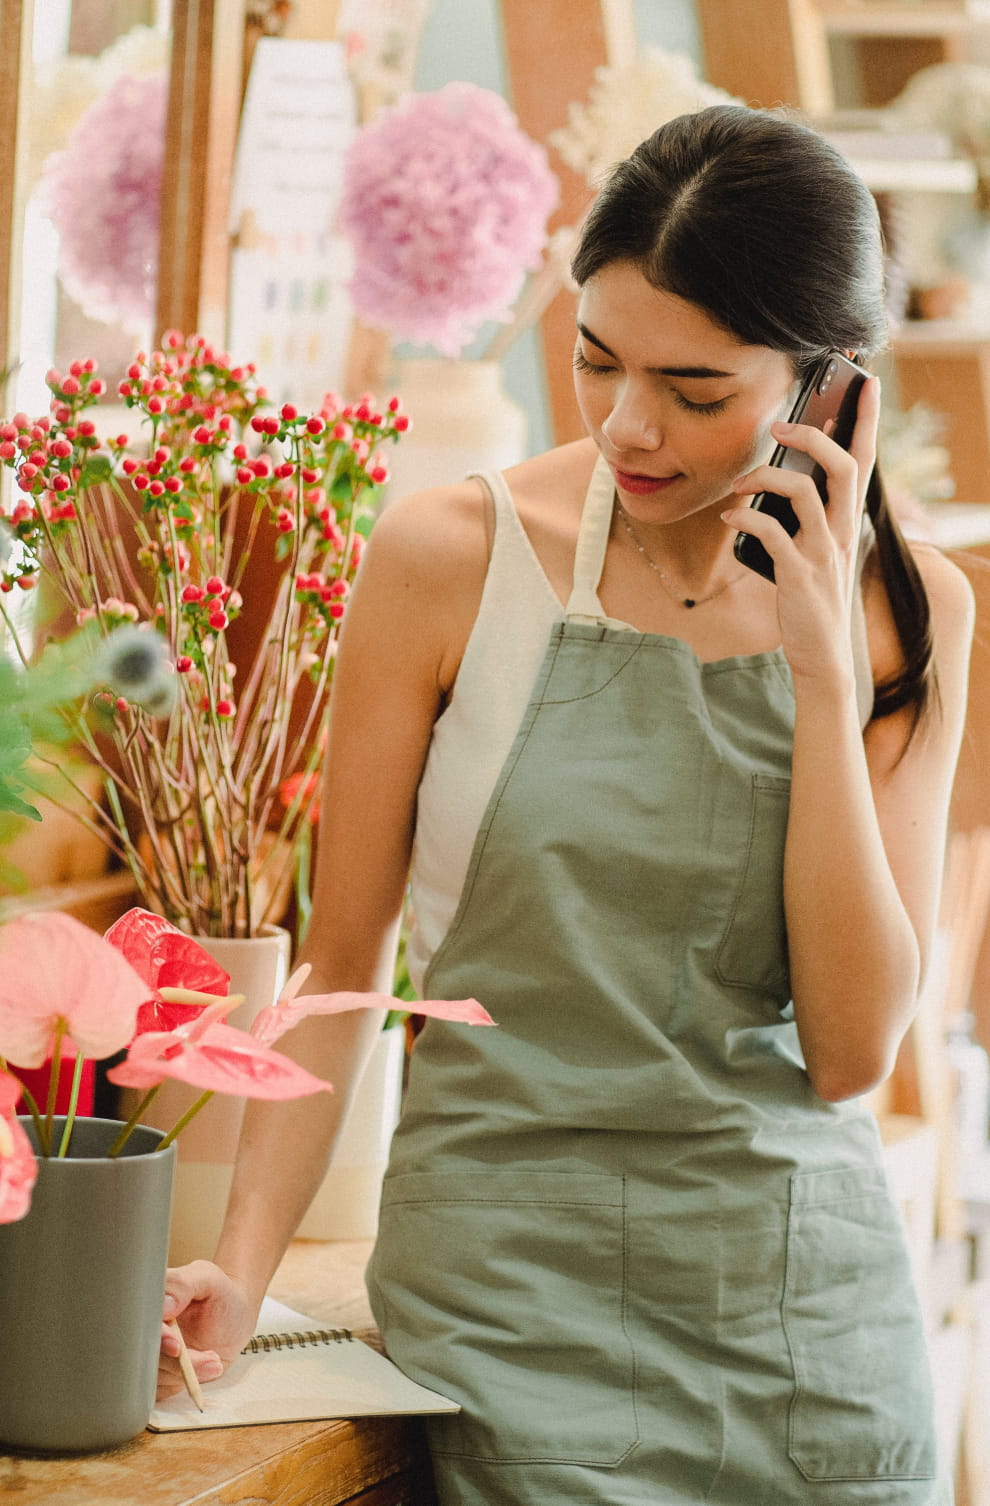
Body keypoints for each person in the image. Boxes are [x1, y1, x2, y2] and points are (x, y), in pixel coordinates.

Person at [159, 104, 975, 1504]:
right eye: (595, 361)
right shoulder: (448, 558)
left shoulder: (913, 614)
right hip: (508, 1306)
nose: (627, 426)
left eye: (697, 389)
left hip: (806, 1329)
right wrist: (237, 1263)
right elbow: (345, 969)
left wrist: (823, 678)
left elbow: (848, 1048)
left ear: (827, 392)